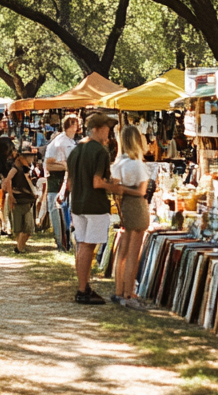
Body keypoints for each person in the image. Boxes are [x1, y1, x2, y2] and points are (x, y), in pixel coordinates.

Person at [58, 112, 119, 305]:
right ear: (96, 130)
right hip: (94, 204)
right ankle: (83, 289)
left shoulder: (76, 150)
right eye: (106, 128)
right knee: (87, 246)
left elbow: (70, 181)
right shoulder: (100, 151)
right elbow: (97, 182)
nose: (108, 132)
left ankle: (83, 286)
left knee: (82, 245)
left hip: (78, 203)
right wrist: (116, 187)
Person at [110, 125, 152, 310]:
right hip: (137, 205)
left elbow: (114, 186)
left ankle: (120, 289)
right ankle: (129, 292)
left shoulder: (119, 163)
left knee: (123, 251)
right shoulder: (137, 164)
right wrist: (127, 190)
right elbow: (142, 190)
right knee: (133, 253)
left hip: (125, 205)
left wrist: (121, 190)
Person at [44, 114, 80, 251]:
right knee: (58, 212)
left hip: (67, 180)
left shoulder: (70, 141)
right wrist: (66, 166)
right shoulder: (60, 142)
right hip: (57, 181)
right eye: (75, 124)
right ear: (71, 125)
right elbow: (49, 164)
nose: (77, 127)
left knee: (66, 212)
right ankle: (62, 243)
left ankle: (67, 243)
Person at [2, 140, 37, 253]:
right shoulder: (17, 167)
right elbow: (8, 180)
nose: (31, 158)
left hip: (27, 200)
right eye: (29, 156)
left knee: (28, 228)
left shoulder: (28, 168)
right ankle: (19, 247)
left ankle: (20, 247)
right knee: (20, 228)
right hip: (19, 200)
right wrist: (11, 196)